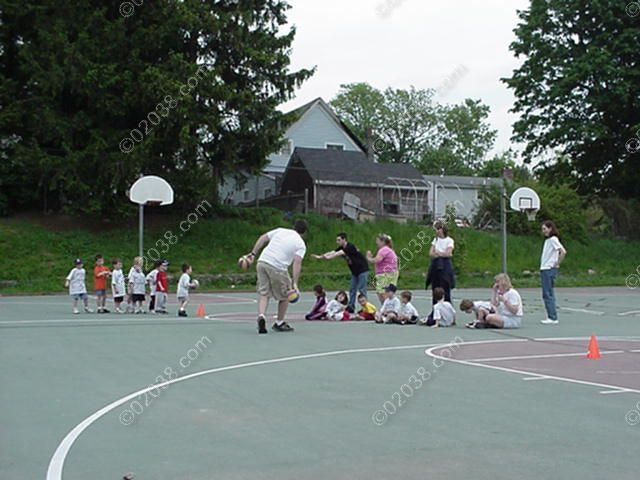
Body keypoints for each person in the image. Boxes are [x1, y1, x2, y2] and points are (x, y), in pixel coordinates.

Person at [246, 219, 307, 334]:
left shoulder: (280, 231)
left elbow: (263, 238)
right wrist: (294, 283)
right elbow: (297, 262)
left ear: (293, 227)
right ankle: (279, 322)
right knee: (286, 296)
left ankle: (261, 316)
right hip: (277, 266)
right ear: (304, 232)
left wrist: (253, 253)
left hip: (262, 262)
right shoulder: (300, 244)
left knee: (264, 294)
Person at [312, 233, 369, 313]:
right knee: (352, 289)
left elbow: (337, 254)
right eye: (337, 240)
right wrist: (320, 257)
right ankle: (351, 307)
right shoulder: (341, 247)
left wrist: (328, 258)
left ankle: (366, 308)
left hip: (362, 270)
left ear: (344, 239)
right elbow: (332, 252)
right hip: (355, 271)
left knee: (362, 289)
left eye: (339, 240)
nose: (337, 242)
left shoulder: (350, 247)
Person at [539, 220, 567, 325]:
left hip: (548, 269)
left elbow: (563, 251)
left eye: (545, 229)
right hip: (544, 268)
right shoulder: (548, 241)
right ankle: (551, 316)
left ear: (550, 228)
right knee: (547, 293)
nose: (543, 231)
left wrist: (557, 263)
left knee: (547, 293)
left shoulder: (553, 239)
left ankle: (552, 317)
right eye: (542, 229)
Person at [426, 221, 456, 304]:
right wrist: (440, 253)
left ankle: (447, 306)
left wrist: (438, 253)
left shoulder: (449, 240)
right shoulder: (435, 240)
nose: (437, 231)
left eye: (438, 229)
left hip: (445, 265)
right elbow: (431, 253)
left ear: (442, 230)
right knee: (435, 287)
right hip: (436, 265)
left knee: (445, 286)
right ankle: (435, 307)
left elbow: (448, 253)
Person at [366, 234, 399, 304]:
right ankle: (387, 306)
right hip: (390, 273)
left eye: (378, 241)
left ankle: (387, 306)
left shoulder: (384, 250)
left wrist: (368, 258)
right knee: (385, 292)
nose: (376, 243)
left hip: (385, 274)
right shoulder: (388, 249)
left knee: (382, 292)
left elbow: (377, 260)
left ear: (383, 242)